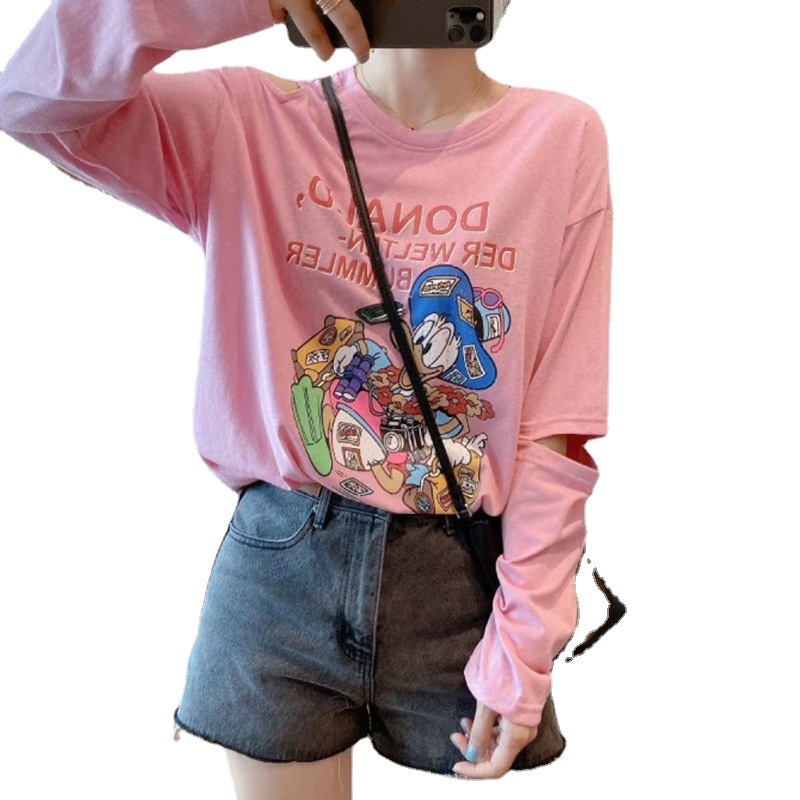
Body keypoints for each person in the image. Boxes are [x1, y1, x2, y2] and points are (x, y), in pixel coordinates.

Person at [0, 0, 613, 794]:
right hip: (280, 564)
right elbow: (31, 98)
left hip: (460, 579)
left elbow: (556, 426)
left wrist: (527, 640)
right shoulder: (249, 123)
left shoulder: (558, 139)